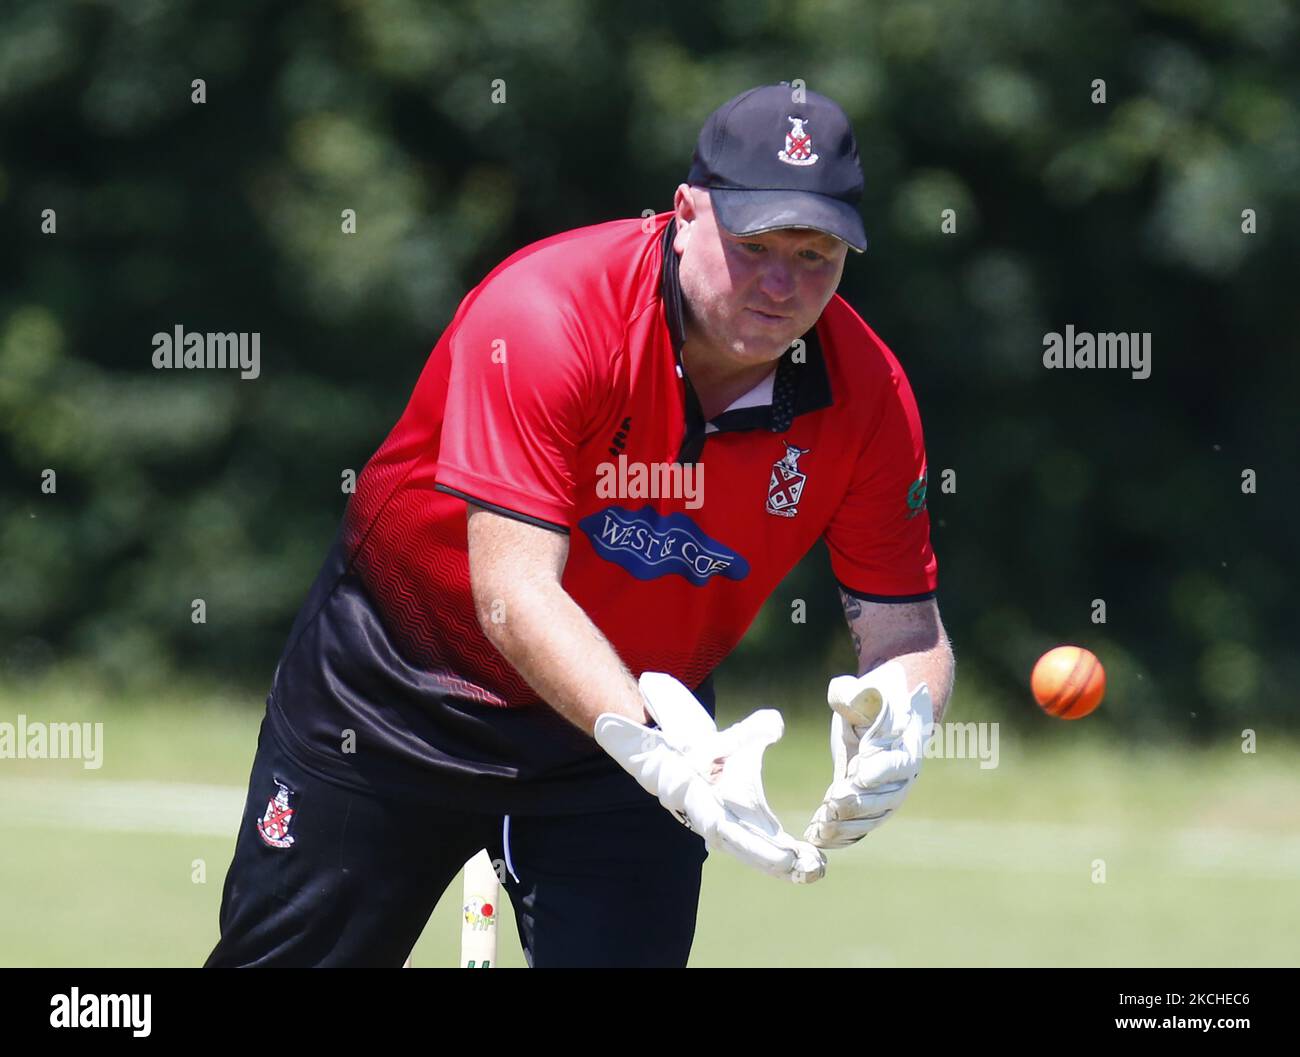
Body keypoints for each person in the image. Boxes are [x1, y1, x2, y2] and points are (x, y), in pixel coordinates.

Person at [205, 82, 955, 968]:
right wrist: (672, 763)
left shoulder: (869, 394)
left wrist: (905, 718)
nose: (783, 284)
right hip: (399, 691)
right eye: (754, 247)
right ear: (684, 214)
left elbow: (906, 625)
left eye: (817, 253)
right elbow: (513, 595)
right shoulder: (547, 312)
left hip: (637, 733)